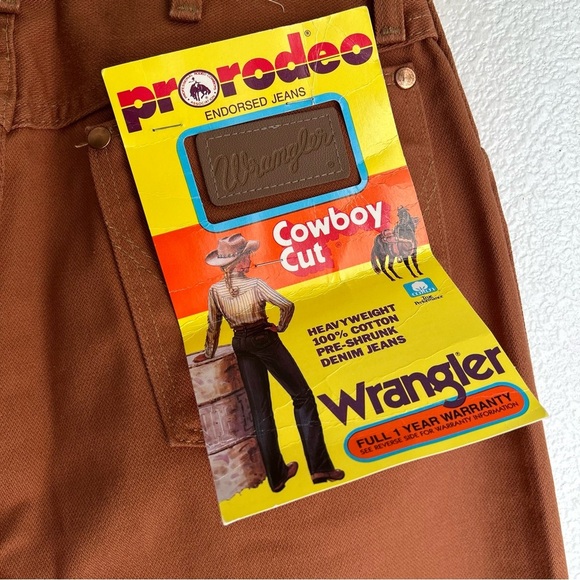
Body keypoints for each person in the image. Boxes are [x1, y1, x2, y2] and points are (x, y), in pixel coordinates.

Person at [193, 233, 344, 492]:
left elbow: (213, 325)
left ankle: (277, 477)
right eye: (247, 256)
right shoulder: (256, 285)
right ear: (240, 262)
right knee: (303, 397)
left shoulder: (215, 291)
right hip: (264, 339)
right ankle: (319, 467)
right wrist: (280, 327)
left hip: (241, 344)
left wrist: (208, 353)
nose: (250, 260)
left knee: (260, 411)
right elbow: (287, 305)